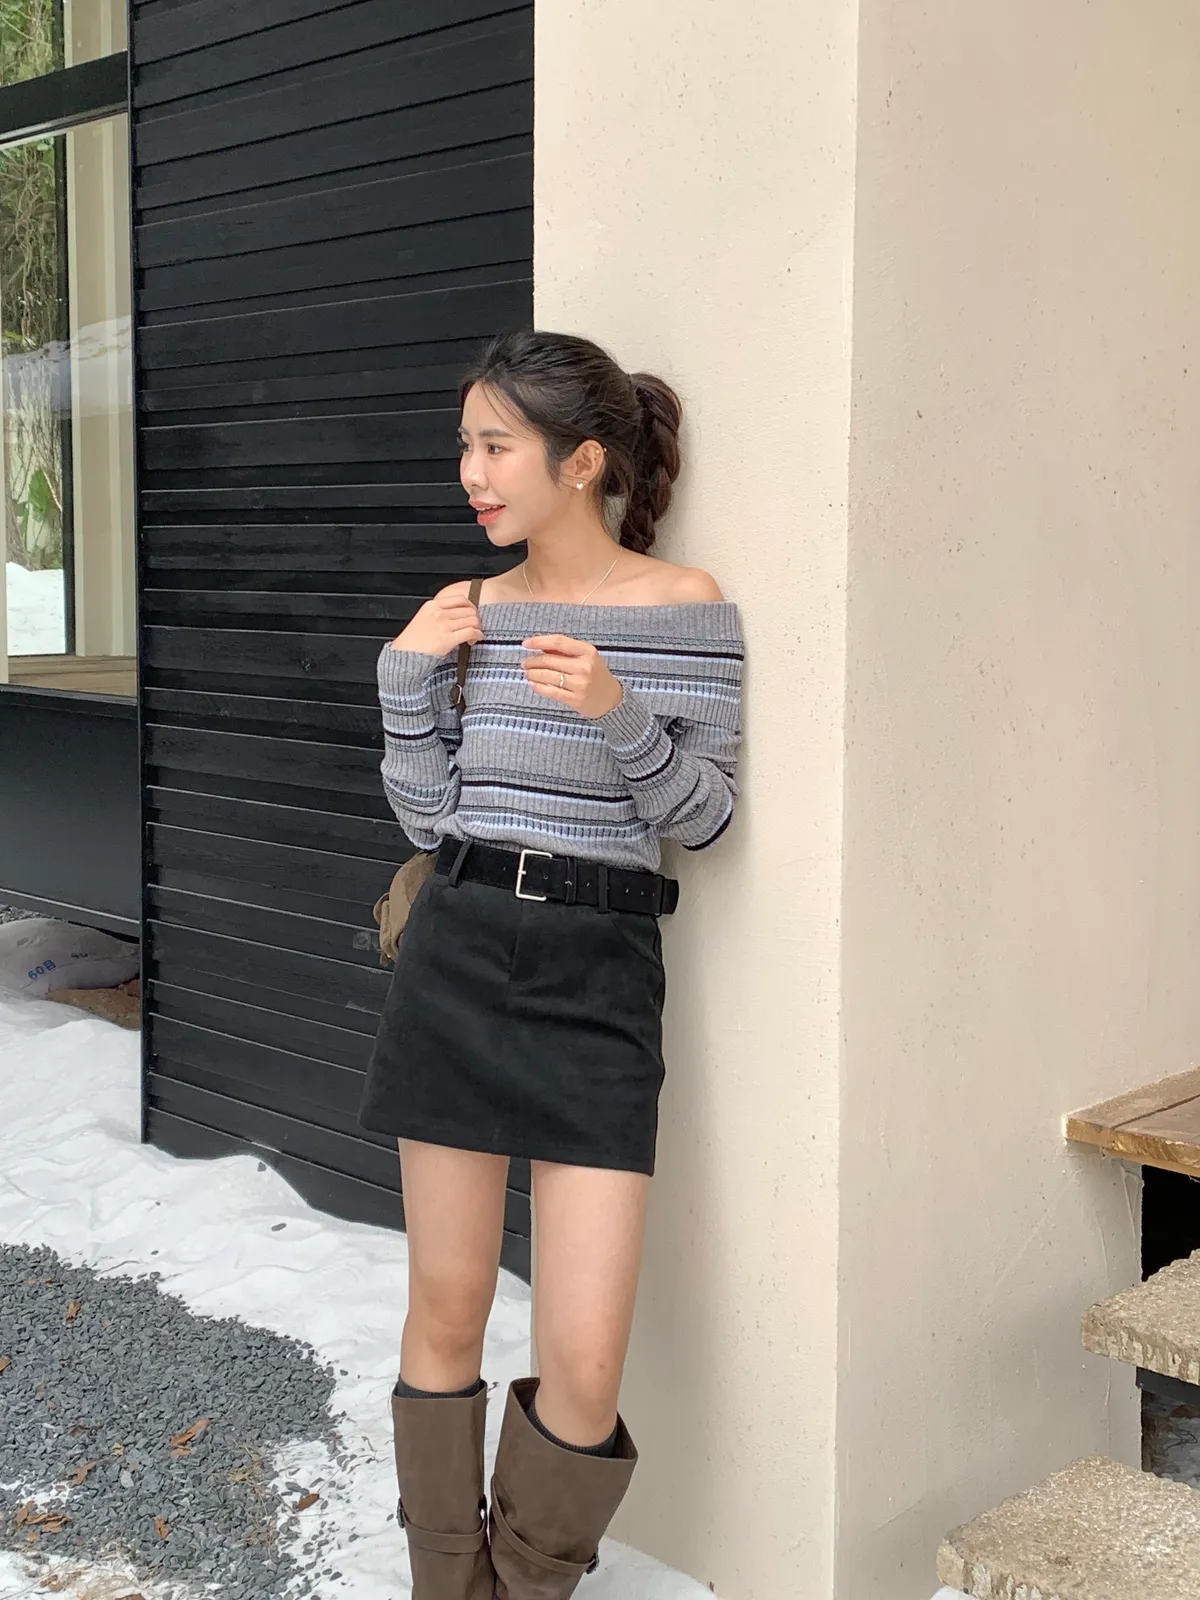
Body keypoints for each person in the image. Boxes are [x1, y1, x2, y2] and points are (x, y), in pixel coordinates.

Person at [357, 328, 745, 1599]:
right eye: (465, 445)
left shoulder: (684, 606)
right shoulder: (469, 612)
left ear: (581, 463)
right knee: (447, 1309)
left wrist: (616, 713)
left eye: (494, 445)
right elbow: (431, 820)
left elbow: (707, 820)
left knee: (584, 1362)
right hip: (461, 952)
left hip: (599, 970)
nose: (469, 471)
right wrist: (405, 682)